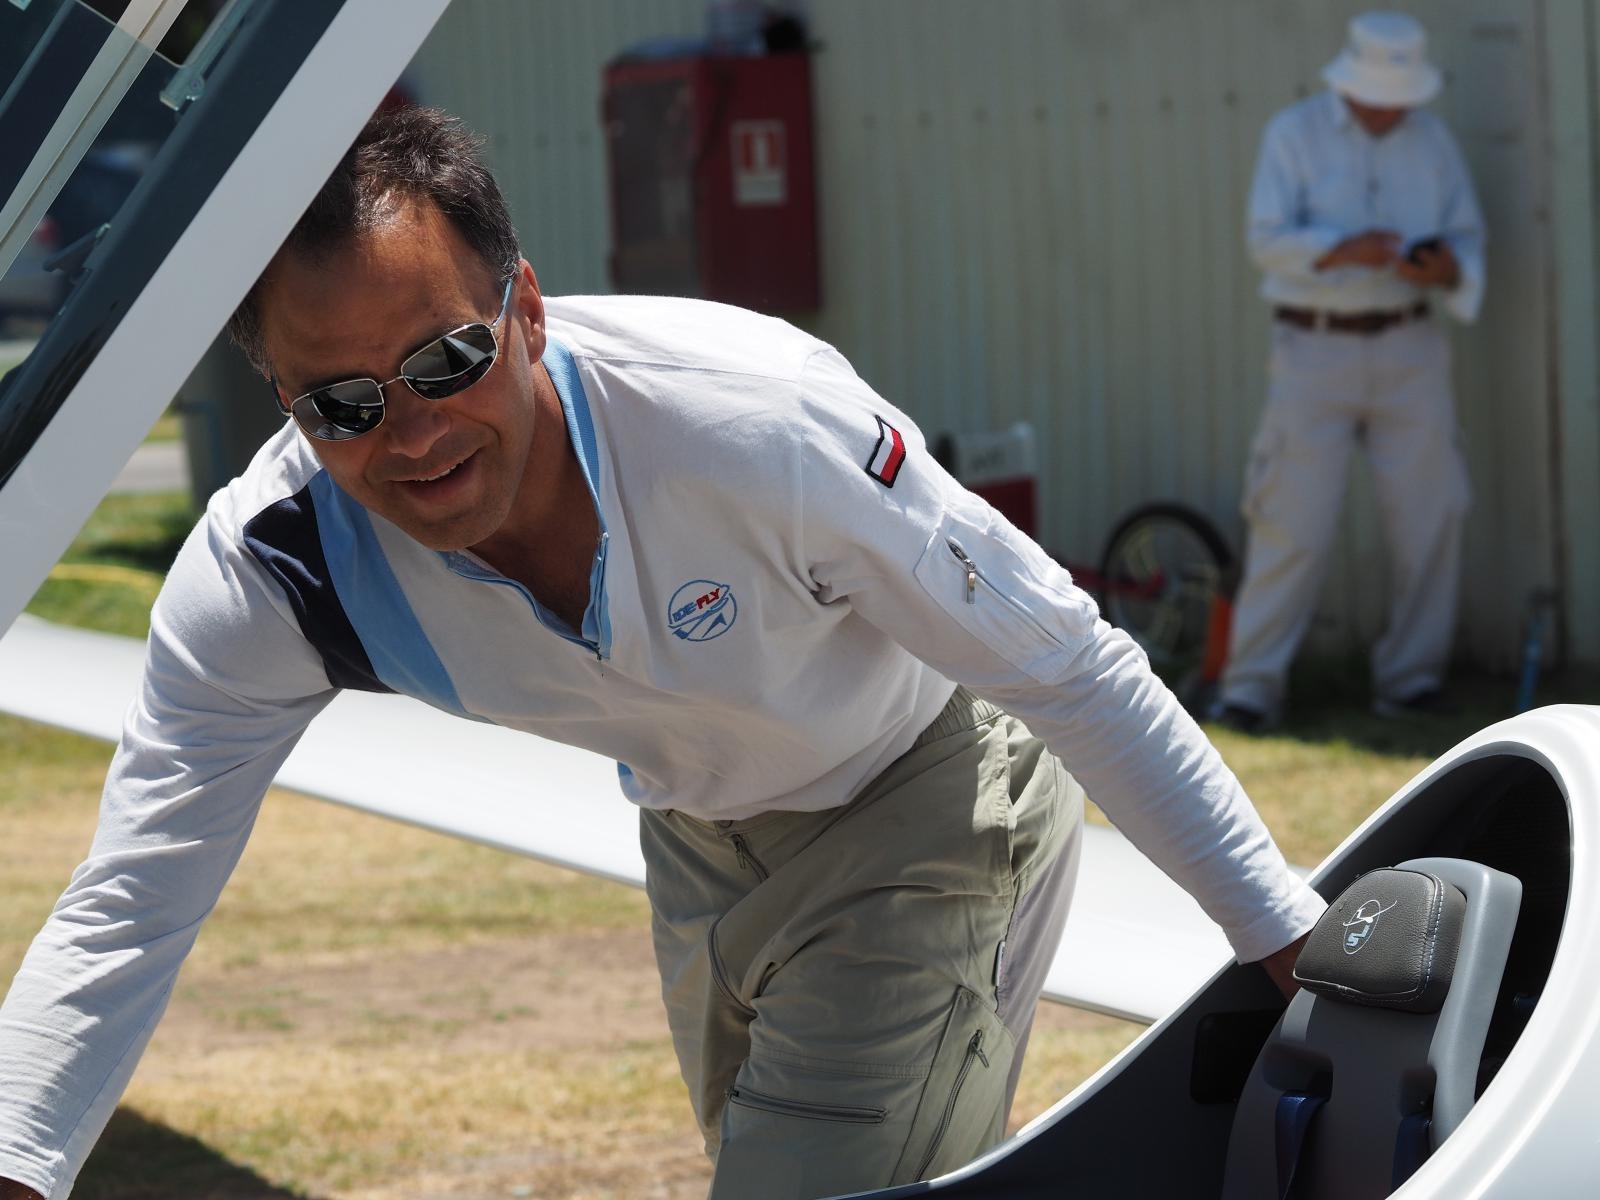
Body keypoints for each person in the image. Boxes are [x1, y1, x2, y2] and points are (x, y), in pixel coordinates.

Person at [0, 106, 1323, 1200]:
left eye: (445, 359)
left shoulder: (755, 423)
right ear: (283, 405)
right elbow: (129, 899)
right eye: (341, 403)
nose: (409, 436)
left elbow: (1062, 661)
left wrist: (1286, 939)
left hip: (923, 800)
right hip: (695, 842)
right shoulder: (277, 576)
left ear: (523, 308)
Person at [1213, 10, 1486, 734]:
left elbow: (1468, 241)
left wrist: (1448, 267)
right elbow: (1265, 242)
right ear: (1351, 82)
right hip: (1315, 350)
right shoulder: (1293, 133)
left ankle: (1412, 679)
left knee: (1432, 514)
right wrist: (1342, 250)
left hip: (1410, 345)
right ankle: (1250, 689)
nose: (1392, 106)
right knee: (1290, 518)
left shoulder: (1434, 144)